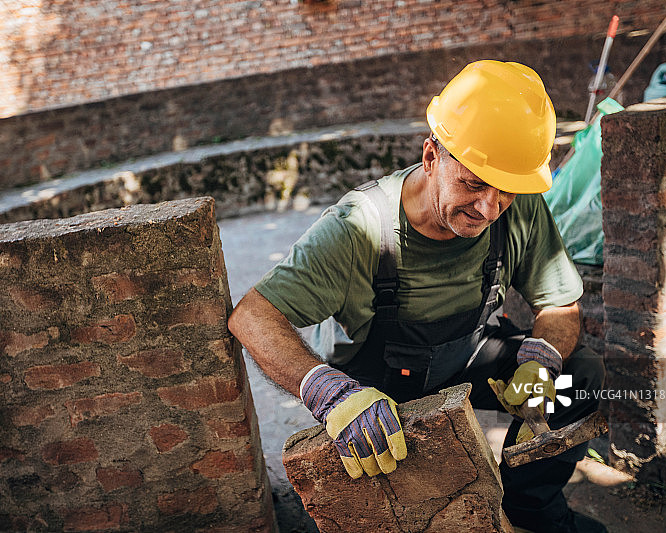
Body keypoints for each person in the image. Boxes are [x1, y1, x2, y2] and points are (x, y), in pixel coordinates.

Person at [229, 60, 605, 533]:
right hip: (376, 385)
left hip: (468, 356)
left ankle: (530, 506)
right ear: (431, 156)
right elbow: (252, 316)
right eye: (473, 183)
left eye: (506, 191)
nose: (489, 208)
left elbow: (559, 303)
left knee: (579, 373)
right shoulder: (357, 228)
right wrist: (329, 393)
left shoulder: (519, 205)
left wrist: (540, 362)